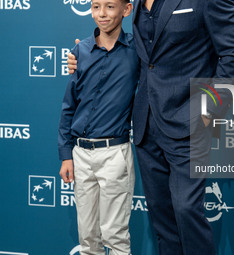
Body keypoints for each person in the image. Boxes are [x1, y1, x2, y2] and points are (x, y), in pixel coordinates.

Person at [68, 0, 234, 254]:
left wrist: (206, 112)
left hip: (189, 124)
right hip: (146, 126)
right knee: (162, 218)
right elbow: (145, 56)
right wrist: (85, 57)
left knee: (187, 211)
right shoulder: (139, 3)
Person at [58, 0, 138, 254]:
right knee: (87, 236)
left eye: (110, 7)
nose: (102, 14)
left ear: (126, 10)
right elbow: (69, 106)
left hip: (114, 153)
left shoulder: (138, 51)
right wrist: (66, 155)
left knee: (115, 236)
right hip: (80, 154)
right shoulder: (80, 51)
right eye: (95, 6)